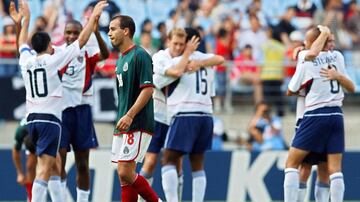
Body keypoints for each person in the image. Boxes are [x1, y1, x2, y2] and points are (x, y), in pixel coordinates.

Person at [12, 1, 107, 201]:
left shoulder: (26, 61)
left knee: (53, 164)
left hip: (32, 119)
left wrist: (24, 21)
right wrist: (93, 18)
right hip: (51, 119)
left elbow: (21, 44)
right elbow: (80, 41)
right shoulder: (54, 60)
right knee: (46, 168)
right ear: (49, 46)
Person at [139, 27, 224, 202]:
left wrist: (188, 59)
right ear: (168, 41)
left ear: (188, 43)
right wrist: (192, 61)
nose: (178, 46)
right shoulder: (163, 57)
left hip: (183, 113)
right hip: (162, 115)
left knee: (171, 160)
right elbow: (219, 59)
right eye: (175, 43)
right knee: (156, 161)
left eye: (182, 43)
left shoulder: (187, 59)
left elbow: (167, 77)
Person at [284, 26, 355, 202]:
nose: (332, 43)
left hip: (313, 115)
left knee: (296, 165)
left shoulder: (306, 59)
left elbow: (291, 90)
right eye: (329, 40)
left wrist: (336, 76)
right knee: (329, 169)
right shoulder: (337, 56)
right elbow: (352, 88)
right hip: (335, 115)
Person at [107, 15, 161, 202]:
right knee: (124, 176)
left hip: (137, 121)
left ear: (126, 31)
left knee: (125, 171)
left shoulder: (140, 55)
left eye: (113, 29)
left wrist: (129, 115)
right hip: (124, 122)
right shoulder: (121, 60)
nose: (109, 33)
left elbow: (147, 90)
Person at [58, 18, 110, 202]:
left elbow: (106, 54)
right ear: (63, 34)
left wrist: (95, 32)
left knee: (82, 163)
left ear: (82, 34)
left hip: (82, 112)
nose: (71, 36)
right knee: (59, 162)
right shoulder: (57, 53)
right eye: (68, 32)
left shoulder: (87, 54)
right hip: (62, 113)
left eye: (76, 32)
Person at [294, 32, 337, 202]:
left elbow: (294, 89)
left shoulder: (307, 57)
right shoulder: (331, 60)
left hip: (307, 118)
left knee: (307, 167)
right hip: (316, 117)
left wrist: (302, 48)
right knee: (318, 168)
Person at [12, 118, 36, 202]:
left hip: (48, 133)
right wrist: (20, 173)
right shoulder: (21, 130)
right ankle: (31, 199)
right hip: (32, 134)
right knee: (30, 165)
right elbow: (16, 150)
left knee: (53, 167)